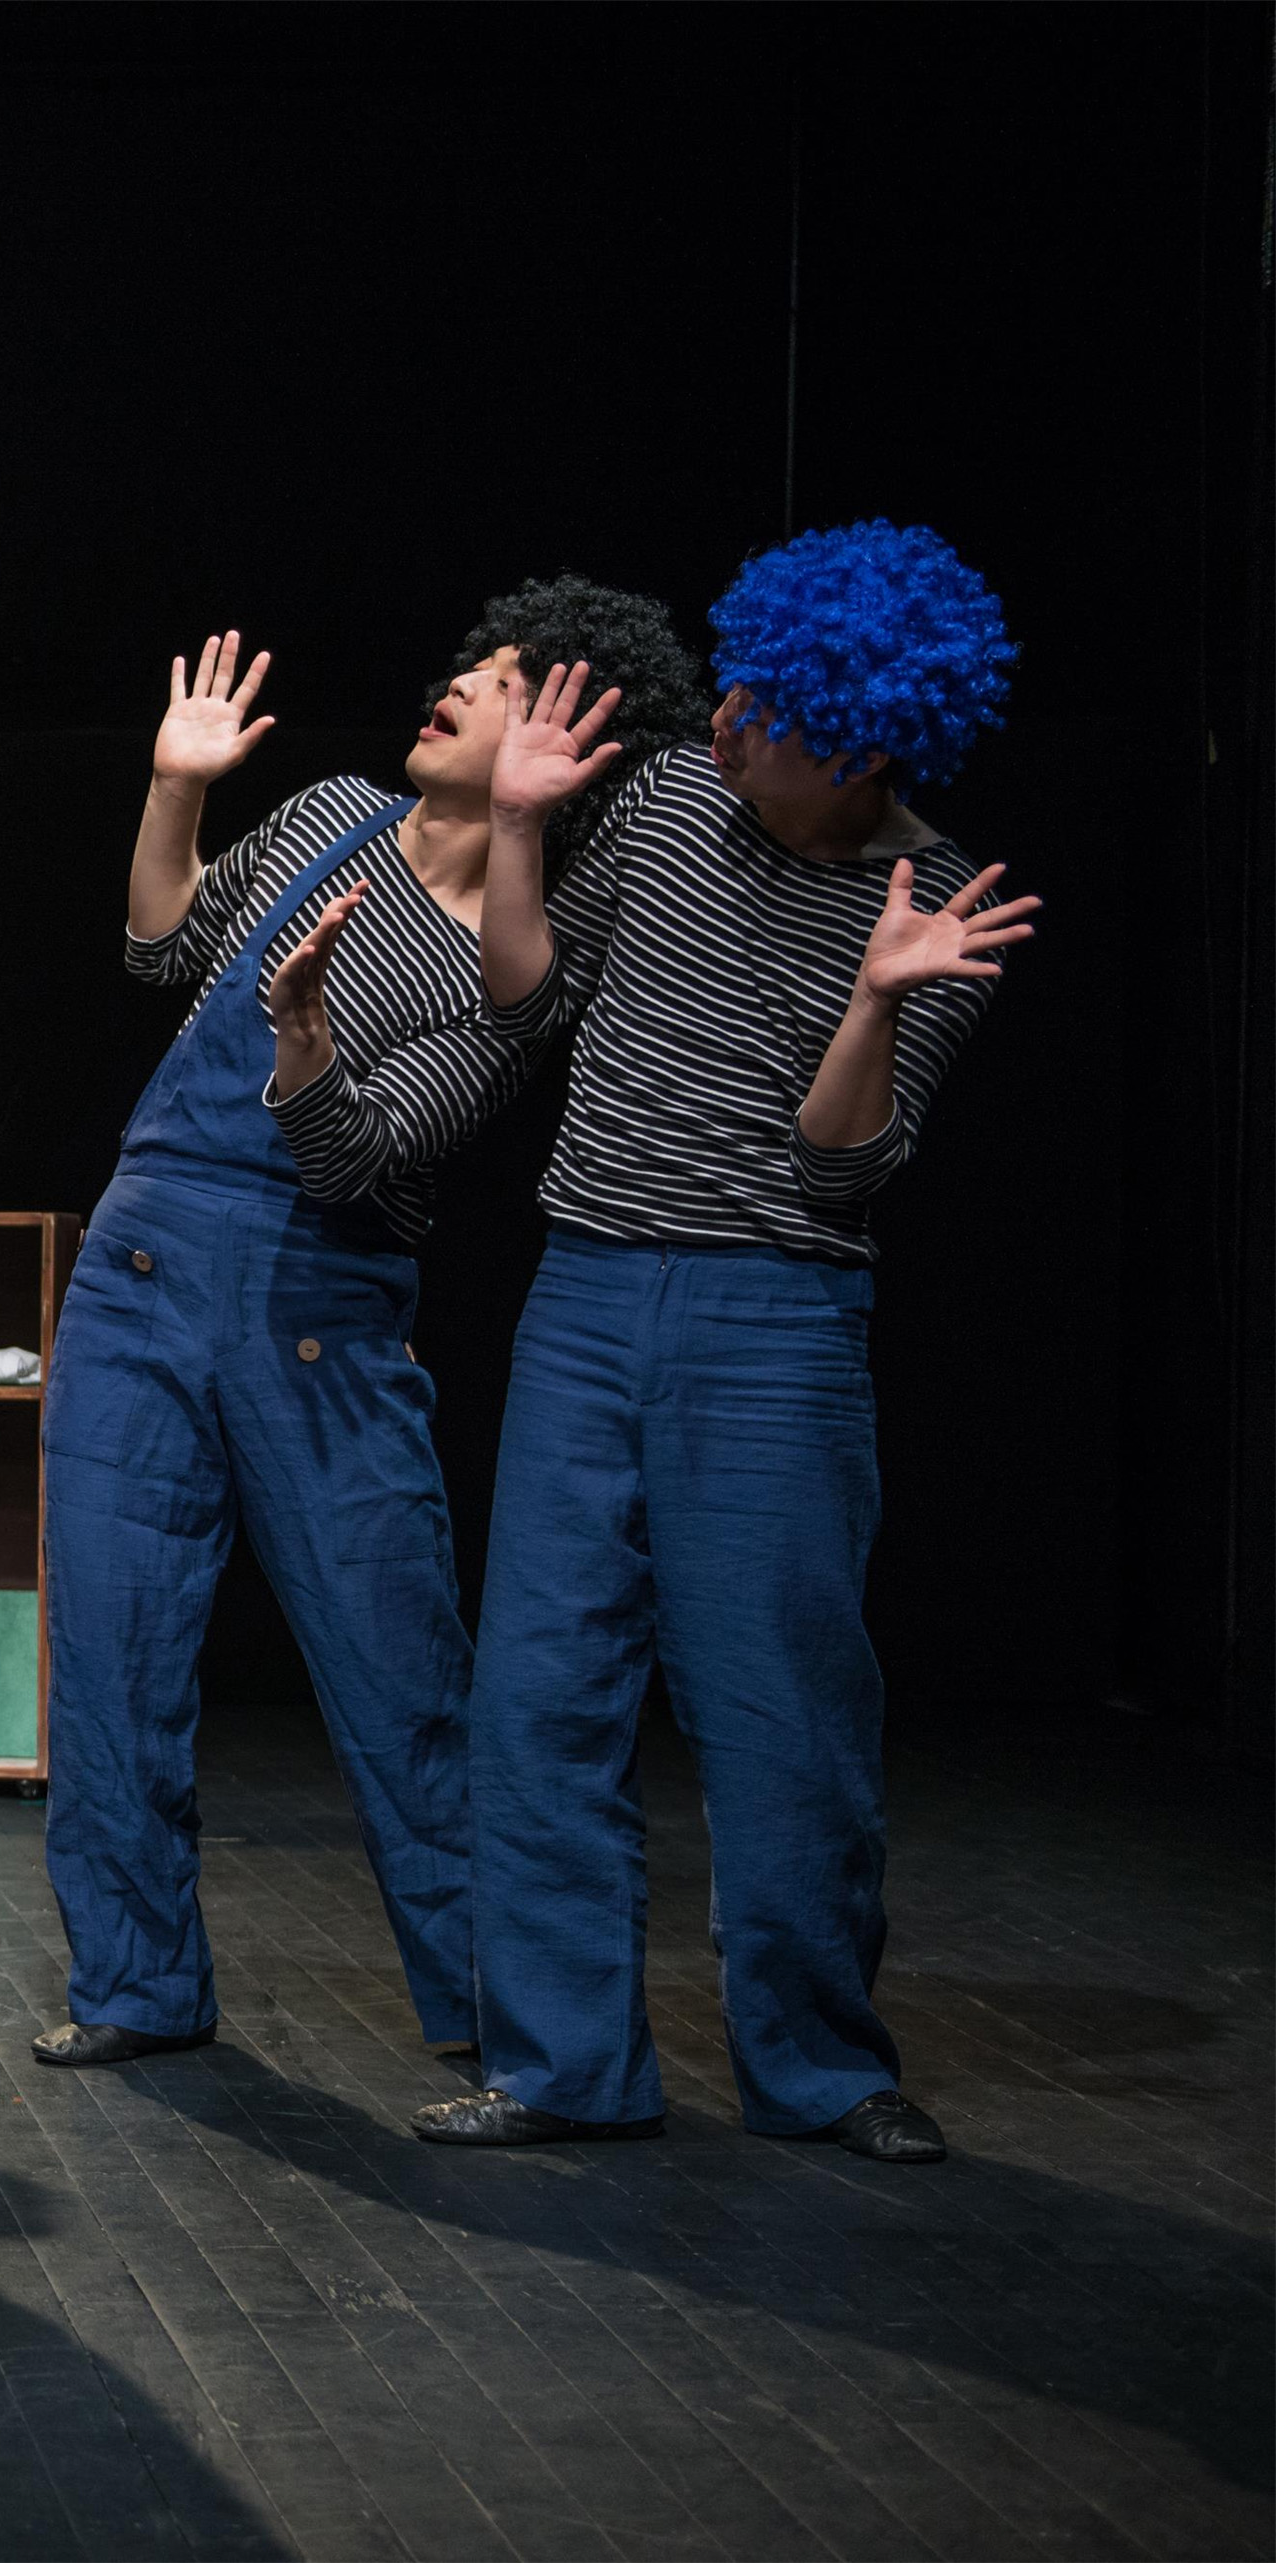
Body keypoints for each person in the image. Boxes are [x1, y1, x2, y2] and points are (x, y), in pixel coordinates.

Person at [420, 522, 1033, 2161]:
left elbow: (842, 1164)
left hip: (775, 1319)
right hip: (587, 1293)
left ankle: (821, 2067)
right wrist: (523, 828)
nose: (735, 720)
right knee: (542, 1689)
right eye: (740, 687)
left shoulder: (942, 904)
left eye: (778, 713)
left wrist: (878, 997)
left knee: (781, 1710)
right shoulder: (675, 797)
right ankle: (562, 2064)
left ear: (867, 746)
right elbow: (525, 997)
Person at [34, 584, 706, 2072]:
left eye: (500, 677)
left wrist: (305, 1044)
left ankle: (494, 2012)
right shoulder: (334, 810)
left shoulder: (520, 963)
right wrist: (175, 787)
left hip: (319, 1309)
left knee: (400, 1679)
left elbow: (359, 1159)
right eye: (469, 662)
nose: (456, 682)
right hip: (141, 1263)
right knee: (112, 1655)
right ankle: (137, 1982)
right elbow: (159, 944)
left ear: (566, 730)